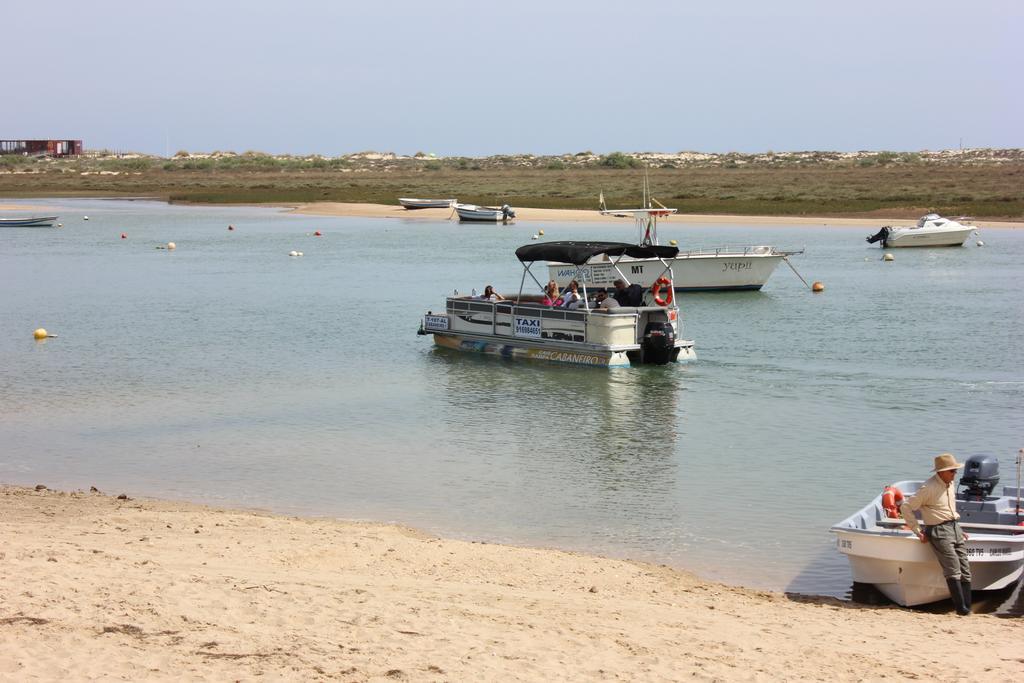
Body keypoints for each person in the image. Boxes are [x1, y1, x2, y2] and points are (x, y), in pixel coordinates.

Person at [899, 453, 972, 615]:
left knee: (965, 569)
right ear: (941, 472)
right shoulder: (929, 488)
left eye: (955, 470)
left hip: (954, 528)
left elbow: (950, 511)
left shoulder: (950, 484)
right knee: (953, 569)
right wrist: (918, 531)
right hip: (939, 531)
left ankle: (968, 607)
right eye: (952, 471)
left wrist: (959, 529)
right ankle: (961, 609)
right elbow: (906, 507)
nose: (955, 474)